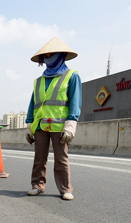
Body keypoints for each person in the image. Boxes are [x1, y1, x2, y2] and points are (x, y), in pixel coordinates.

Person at [25, 37, 82, 201]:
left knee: (61, 159)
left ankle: (65, 189)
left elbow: (75, 102)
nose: (48, 58)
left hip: (60, 126)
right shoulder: (38, 81)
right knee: (39, 158)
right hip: (41, 126)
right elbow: (33, 104)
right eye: (46, 56)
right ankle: (37, 186)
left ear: (60, 55)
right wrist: (29, 125)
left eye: (52, 54)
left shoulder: (71, 76)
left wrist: (71, 125)